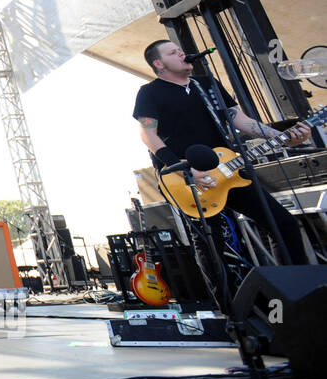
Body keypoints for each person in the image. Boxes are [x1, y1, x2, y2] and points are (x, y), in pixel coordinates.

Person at [133, 40, 313, 274]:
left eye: (180, 49)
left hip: (229, 168)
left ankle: (295, 289)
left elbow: (242, 120)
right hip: (188, 178)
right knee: (211, 243)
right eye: (172, 52)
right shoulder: (150, 92)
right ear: (158, 63)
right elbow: (148, 135)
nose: (181, 53)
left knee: (283, 223)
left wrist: (282, 136)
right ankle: (228, 307)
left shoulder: (207, 84)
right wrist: (184, 170)